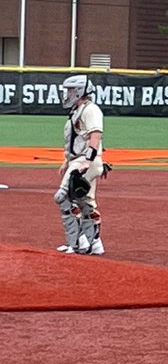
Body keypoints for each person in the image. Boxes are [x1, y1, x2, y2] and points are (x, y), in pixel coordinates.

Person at [54, 75, 106, 255]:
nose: (67, 94)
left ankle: (77, 242)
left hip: (85, 161)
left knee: (63, 196)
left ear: (78, 91)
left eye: (69, 90)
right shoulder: (78, 110)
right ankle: (94, 243)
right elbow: (77, 140)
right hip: (79, 160)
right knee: (85, 202)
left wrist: (87, 161)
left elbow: (95, 136)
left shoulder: (90, 110)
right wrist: (67, 161)